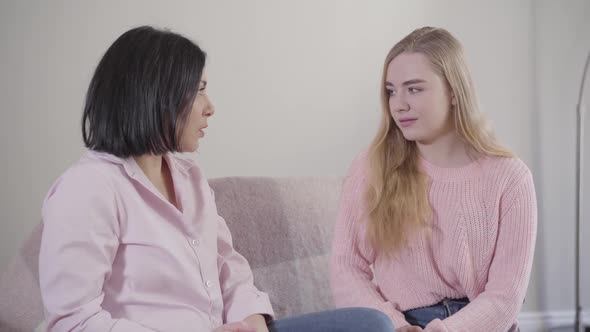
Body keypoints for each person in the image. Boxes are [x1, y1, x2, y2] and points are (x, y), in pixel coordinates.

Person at [39, 26, 396, 332]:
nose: (210, 106)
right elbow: (73, 321)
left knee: (370, 324)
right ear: (154, 96)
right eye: (198, 90)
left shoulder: (190, 177)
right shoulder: (89, 188)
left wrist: (252, 319)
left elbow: (228, 265)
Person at [330, 26, 537, 332]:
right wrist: (393, 326)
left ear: (454, 91)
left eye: (414, 89)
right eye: (391, 91)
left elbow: (505, 296)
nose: (399, 104)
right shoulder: (371, 167)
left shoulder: (510, 177)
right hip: (400, 325)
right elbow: (346, 269)